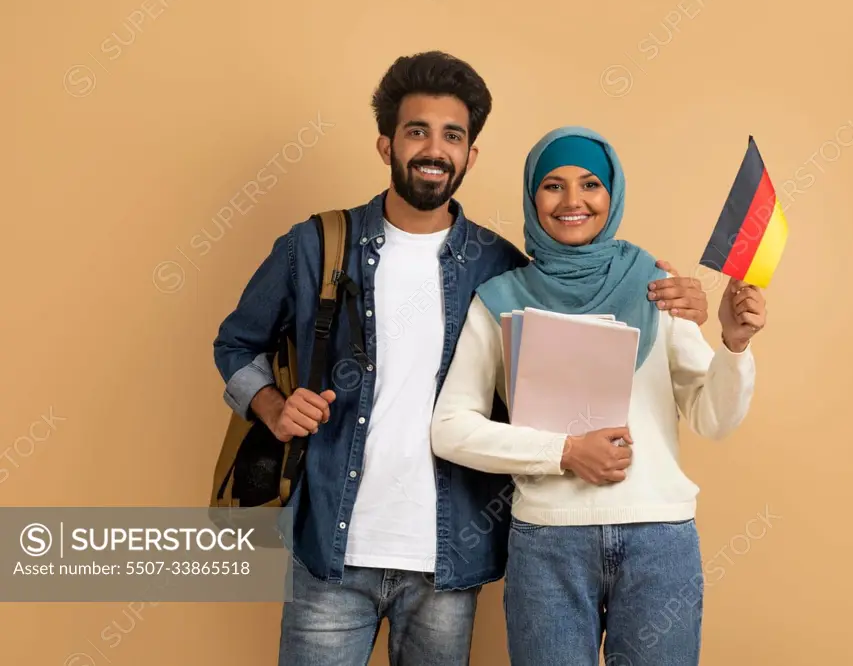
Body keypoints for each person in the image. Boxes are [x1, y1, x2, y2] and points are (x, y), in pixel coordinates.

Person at [212, 55, 712, 666]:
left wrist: (665, 291)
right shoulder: (318, 243)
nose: (434, 149)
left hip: (449, 559)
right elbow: (236, 344)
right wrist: (271, 405)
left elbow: (584, 326)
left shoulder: (500, 269)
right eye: (416, 130)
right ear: (385, 144)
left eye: (452, 135)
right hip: (333, 551)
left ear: (470, 155)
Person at [430, 125, 768, 666]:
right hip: (548, 543)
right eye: (552, 186)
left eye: (590, 184)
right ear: (531, 195)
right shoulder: (499, 300)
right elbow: (449, 428)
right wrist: (563, 452)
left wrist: (734, 344)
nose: (572, 201)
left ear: (612, 196)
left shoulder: (658, 286)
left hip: (660, 538)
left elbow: (713, 418)